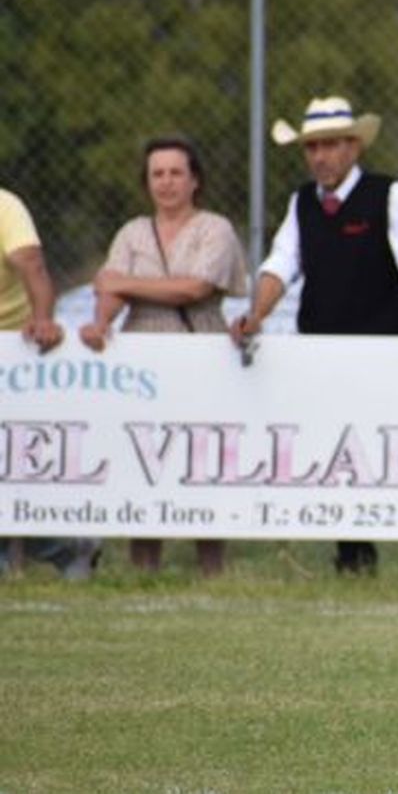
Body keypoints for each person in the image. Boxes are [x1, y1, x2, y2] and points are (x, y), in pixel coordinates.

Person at [230, 95, 398, 575]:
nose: (320, 157)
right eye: (312, 148)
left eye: (330, 146)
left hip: (377, 350)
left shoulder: (389, 196)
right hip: (320, 349)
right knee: (330, 448)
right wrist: (256, 315)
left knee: (367, 449)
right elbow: (280, 264)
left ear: (353, 148)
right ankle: (349, 552)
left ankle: (362, 550)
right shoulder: (301, 204)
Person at [79, 136, 248, 577]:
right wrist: (101, 322)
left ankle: (212, 567)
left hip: (200, 349)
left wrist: (126, 284)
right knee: (143, 458)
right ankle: (143, 568)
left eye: (176, 173)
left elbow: (196, 288)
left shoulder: (216, 229)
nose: (167, 182)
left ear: (195, 181)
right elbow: (108, 294)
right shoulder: (132, 233)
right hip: (142, 353)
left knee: (203, 458)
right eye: (158, 174)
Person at [0, 185, 100, 579]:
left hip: (12, 349)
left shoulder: (6, 207)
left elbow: (32, 266)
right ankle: (64, 547)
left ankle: (65, 547)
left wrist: (43, 319)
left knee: (14, 463)